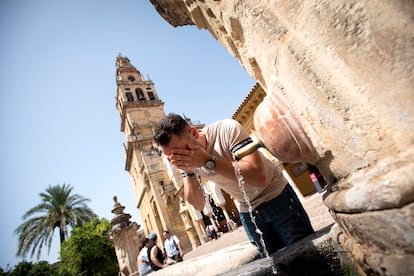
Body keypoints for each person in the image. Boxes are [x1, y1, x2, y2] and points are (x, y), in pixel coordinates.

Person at [154, 113, 314, 258]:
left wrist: (207, 161)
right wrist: (188, 172)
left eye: (181, 153)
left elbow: (259, 177)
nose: (180, 158)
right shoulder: (189, 161)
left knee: (306, 257)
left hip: (278, 198)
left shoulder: (227, 130)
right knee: (272, 264)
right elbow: (198, 204)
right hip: (247, 210)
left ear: (194, 133)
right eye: (173, 157)